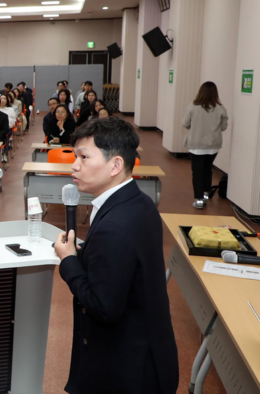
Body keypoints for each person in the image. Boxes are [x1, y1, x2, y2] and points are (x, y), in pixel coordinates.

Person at [54, 117, 178, 394]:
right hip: (147, 353)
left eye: (84, 157)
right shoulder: (139, 201)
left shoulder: (114, 225)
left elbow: (104, 308)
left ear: (115, 165)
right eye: (75, 156)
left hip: (125, 370)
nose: (74, 165)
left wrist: (69, 261)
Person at [182, 81, 229, 209]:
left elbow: (185, 123)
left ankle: (198, 200)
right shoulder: (220, 108)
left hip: (196, 145)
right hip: (213, 145)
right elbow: (223, 127)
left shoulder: (192, 107)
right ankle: (205, 195)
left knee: (197, 172)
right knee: (208, 169)